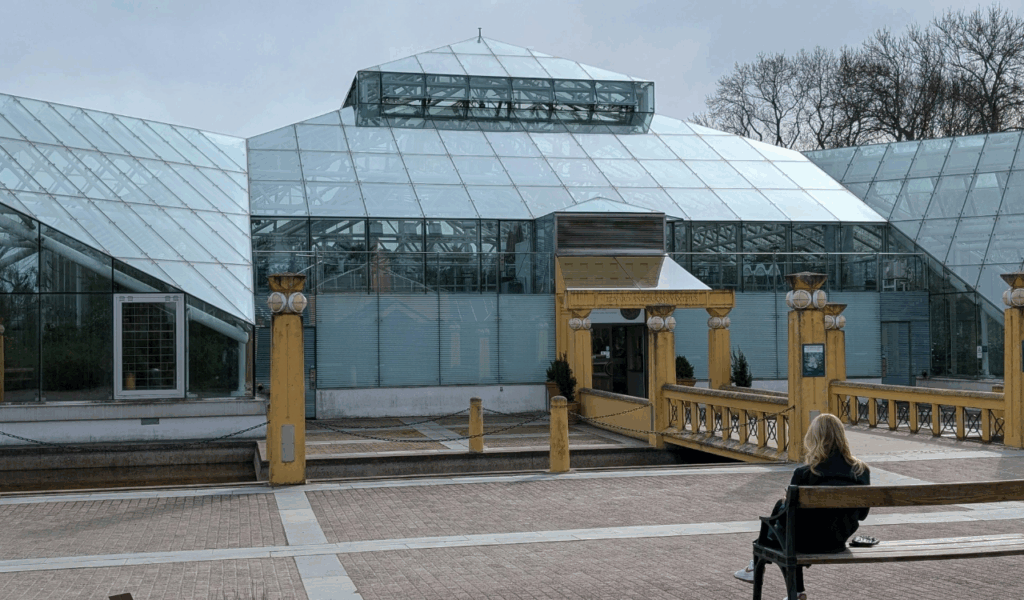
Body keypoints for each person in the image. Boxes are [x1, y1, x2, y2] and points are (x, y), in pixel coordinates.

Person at [733, 413, 870, 600]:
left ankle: (758, 566)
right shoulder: (861, 470)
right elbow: (862, 515)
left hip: (805, 542)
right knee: (790, 527)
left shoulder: (805, 473)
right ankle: (792, 590)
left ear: (814, 438)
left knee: (783, 523)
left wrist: (784, 503)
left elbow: (787, 519)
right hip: (837, 541)